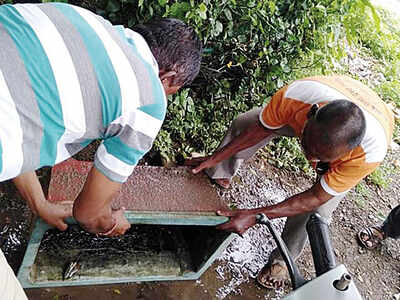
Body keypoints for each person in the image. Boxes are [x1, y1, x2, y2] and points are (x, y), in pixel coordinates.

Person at [0, 2, 202, 298]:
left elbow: (17, 114)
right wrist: (110, 224)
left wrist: (40, 203)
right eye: (174, 90)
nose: (167, 96)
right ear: (169, 78)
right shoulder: (149, 99)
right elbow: (87, 213)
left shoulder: (78, 17)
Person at [186, 75, 394, 289]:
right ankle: (218, 172)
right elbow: (260, 128)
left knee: (316, 212)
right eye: (306, 146)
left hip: (373, 123)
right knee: (243, 123)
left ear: (347, 152)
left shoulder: (367, 155)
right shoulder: (296, 97)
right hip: (332, 97)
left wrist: (254, 215)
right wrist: (216, 157)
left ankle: (282, 262)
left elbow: (314, 197)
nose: (310, 160)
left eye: (321, 158)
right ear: (311, 114)